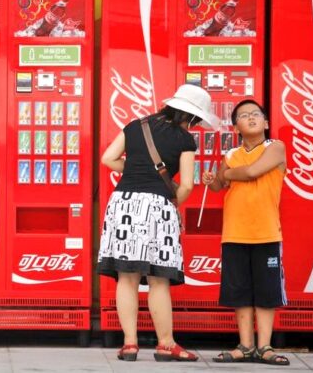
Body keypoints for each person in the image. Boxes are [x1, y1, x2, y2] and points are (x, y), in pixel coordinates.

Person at [98, 84, 219, 362]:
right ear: (192, 116)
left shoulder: (135, 125)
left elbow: (108, 158)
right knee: (158, 279)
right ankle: (165, 344)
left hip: (123, 203)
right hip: (157, 207)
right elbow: (187, 185)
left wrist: (133, 171)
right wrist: (172, 199)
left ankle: (129, 344)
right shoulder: (185, 139)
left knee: (126, 278)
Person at [202, 99, 290, 366]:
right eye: (243, 116)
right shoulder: (229, 155)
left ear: (266, 122)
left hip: (266, 232)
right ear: (236, 127)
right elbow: (218, 185)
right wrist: (214, 179)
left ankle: (265, 346)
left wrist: (228, 174)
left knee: (266, 292)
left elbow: (252, 172)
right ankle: (246, 345)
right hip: (234, 232)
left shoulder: (275, 148)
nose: (251, 118)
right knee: (239, 292)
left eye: (256, 114)